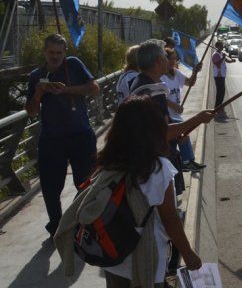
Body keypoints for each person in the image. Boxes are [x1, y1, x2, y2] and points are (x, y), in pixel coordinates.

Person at [54, 96, 202, 288]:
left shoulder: (108, 163)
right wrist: (189, 254)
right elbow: (170, 219)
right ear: (153, 130)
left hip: (113, 258)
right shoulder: (158, 169)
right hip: (146, 260)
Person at [25, 33, 100, 237]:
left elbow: (94, 88)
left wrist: (67, 90)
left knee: (86, 182)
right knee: (50, 186)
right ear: (45, 52)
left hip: (80, 135)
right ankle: (57, 227)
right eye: (51, 52)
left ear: (65, 52)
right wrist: (40, 92)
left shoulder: (73, 64)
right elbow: (31, 111)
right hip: (51, 138)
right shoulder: (36, 75)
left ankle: (83, 222)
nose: (55, 56)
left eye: (59, 52)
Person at [162, 48, 206, 172]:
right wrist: (175, 106)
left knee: (181, 137)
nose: (173, 61)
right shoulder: (161, 77)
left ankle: (186, 162)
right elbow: (161, 99)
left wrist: (195, 72)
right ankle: (186, 162)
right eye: (171, 59)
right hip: (167, 116)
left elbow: (190, 83)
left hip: (176, 115)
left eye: (174, 59)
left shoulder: (176, 73)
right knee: (182, 135)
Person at [212, 40, 235, 111]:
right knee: (220, 92)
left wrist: (232, 60)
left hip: (222, 75)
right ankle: (217, 107)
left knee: (222, 91)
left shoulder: (221, 53)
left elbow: (226, 60)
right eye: (221, 45)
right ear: (218, 46)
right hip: (218, 76)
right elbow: (218, 64)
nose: (223, 47)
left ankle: (220, 106)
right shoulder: (215, 55)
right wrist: (223, 57)